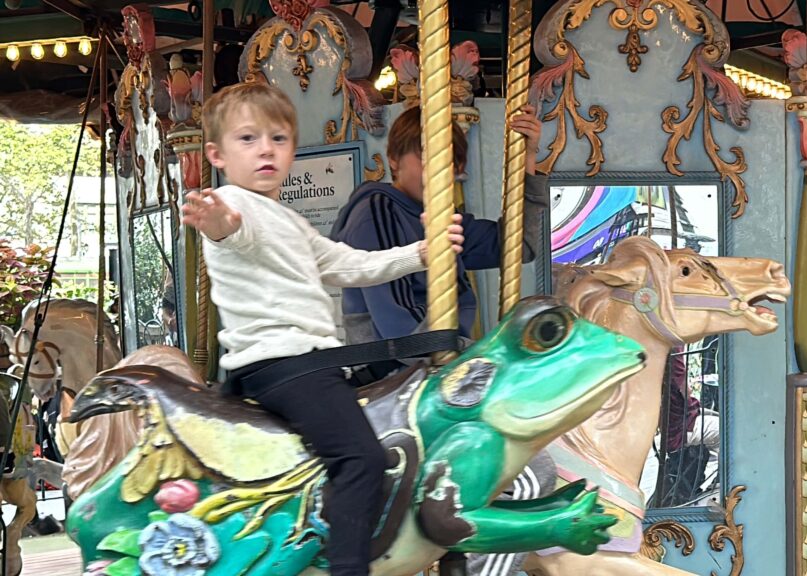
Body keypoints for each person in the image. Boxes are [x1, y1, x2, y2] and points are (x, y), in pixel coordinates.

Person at [180, 82, 464, 576]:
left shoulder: (286, 218)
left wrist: (418, 254)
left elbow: (344, 264)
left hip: (308, 363)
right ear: (217, 155)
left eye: (278, 138)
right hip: (282, 365)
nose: (265, 149)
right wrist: (218, 222)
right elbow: (234, 232)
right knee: (364, 461)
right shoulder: (233, 203)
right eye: (247, 139)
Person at [330, 105, 547, 353]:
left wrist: (527, 157)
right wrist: (481, 355)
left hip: (435, 358)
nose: (440, 170)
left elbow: (518, 246)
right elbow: (404, 333)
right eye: (426, 156)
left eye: (449, 160)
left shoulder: (444, 218)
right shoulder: (377, 212)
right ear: (393, 158)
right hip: (394, 371)